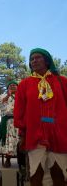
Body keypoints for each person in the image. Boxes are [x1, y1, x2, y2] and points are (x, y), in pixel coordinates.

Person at [14, 48, 67, 186]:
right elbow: (19, 112)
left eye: (38, 57)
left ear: (47, 60)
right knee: (35, 176)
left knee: (60, 176)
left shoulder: (62, 82)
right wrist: (22, 135)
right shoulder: (24, 85)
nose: (34, 61)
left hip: (59, 135)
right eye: (31, 59)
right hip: (35, 136)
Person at [0, 81, 19, 168]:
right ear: (7, 88)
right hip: (7, 121)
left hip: (19, 121)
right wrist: (8, 95)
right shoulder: (3, 96)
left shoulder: (21, 95)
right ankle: (8, 159)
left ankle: (21, 159)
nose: (13, 86)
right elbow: (0, 105)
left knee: (20, 140)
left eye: (15, 85)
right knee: (7, 139)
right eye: (11, 85)